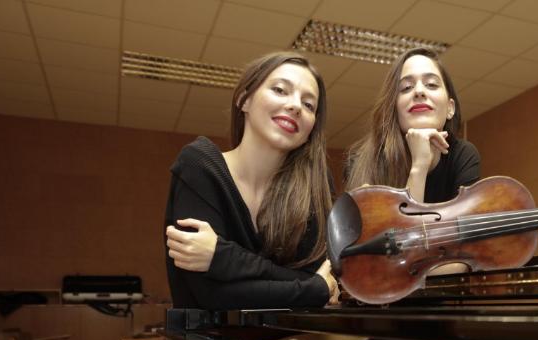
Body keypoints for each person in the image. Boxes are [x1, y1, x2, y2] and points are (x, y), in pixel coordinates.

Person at [164, 52, 338, 309]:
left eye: (309, 104)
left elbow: (326, 283)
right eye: (280, 90)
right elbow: (211, 295)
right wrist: (310, 289)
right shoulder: (199, 166)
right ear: (244, 99)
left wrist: (223, 258)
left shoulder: (314, 190)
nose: (295, 106)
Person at [345, 47, 481, 204]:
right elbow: (405, 229)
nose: (419, 91)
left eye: (431, 84)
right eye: (406, 87)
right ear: (393, 110)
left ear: (450, 108)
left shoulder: (463, 156)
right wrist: (419, 165)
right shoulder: (361, 161)